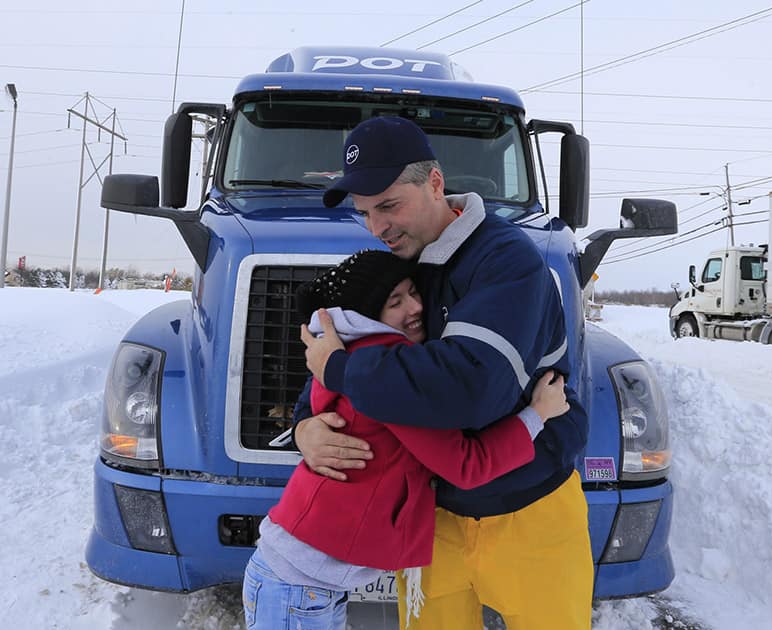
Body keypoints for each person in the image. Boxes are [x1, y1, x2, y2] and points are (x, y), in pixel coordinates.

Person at [294, 116, 594, 629]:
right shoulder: (398, 262)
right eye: (365, 212)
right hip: (432, 516)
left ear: (436, 183)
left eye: (389, 205)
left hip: (530, 511)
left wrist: (344, 371)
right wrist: (306, 425)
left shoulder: (507, 262)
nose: (377, 227)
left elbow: (470, 390)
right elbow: (340, 347)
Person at [244, 250, 569, 630]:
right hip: (299, 587)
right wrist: (537, 415)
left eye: (414, 292)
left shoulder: (355, 356)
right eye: (394, 302)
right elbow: (467, 464)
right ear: (368, 315)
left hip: (300, 577)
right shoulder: (387, 377)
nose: (415, 307)